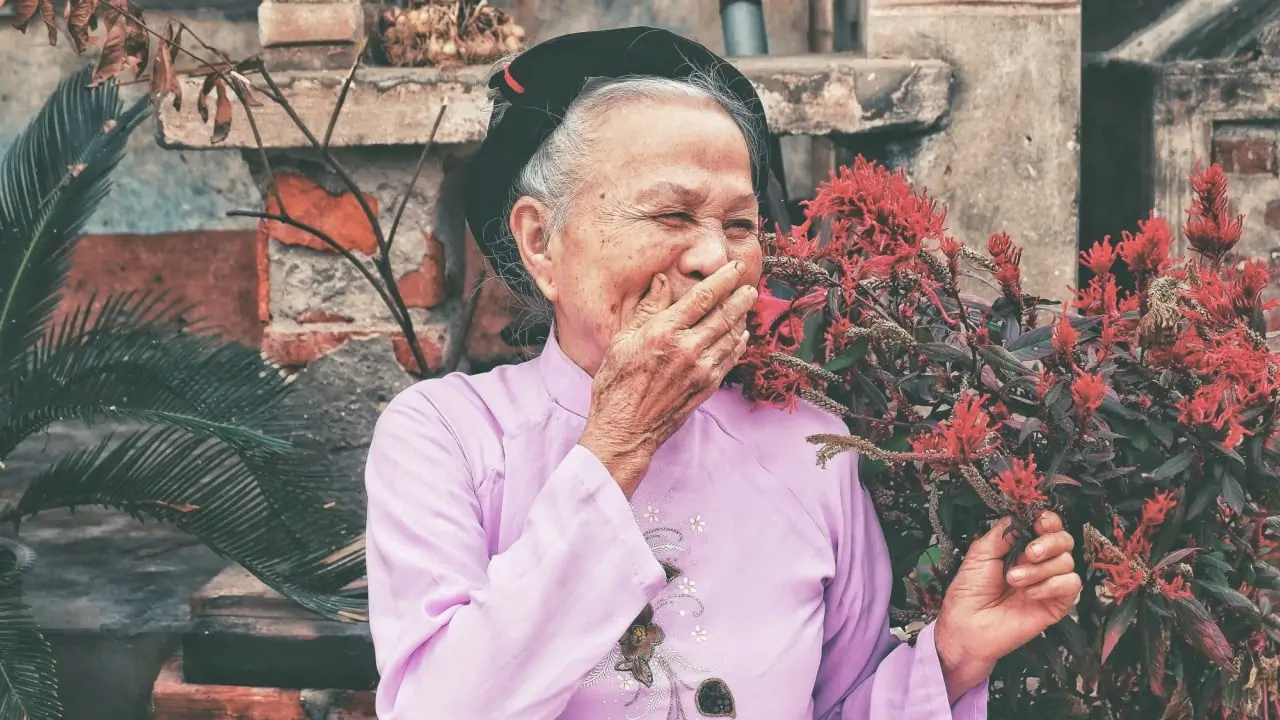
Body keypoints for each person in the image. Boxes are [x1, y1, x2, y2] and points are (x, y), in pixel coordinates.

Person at [364, 26, 1082, 720]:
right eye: (673, 213)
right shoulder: (448, 437)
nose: (716, 258)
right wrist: (617, 447)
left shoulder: (811, 451)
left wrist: (954, 658)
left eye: (740, 226)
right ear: (541, 242)